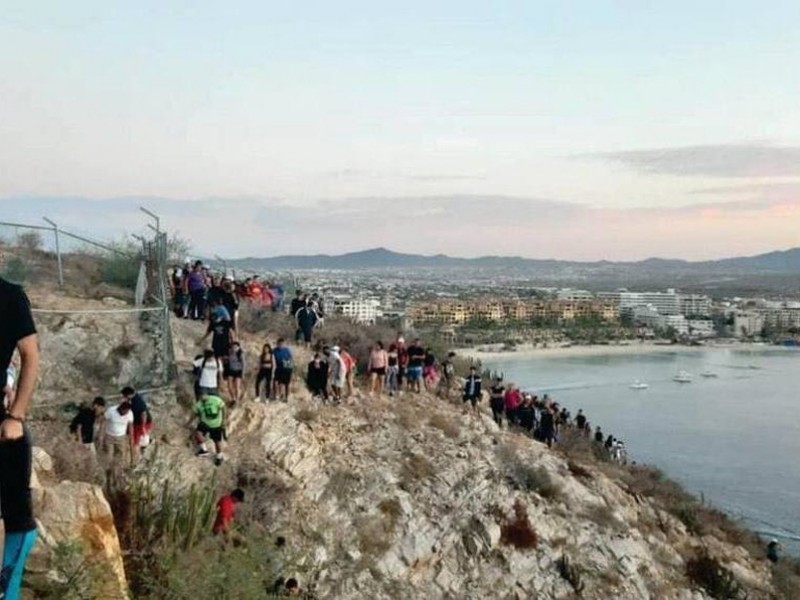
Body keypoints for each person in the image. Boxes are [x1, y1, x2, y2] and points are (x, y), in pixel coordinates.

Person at [0, 271, 40, 599]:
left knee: (16, 519)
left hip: (3, 424)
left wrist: (16, 415)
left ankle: (7, 589)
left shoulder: (10, 296)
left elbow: (31, 356)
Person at [102, 400, 135, 480]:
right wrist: (101, 435)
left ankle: (117, 472)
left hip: (121, 437)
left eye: (127, 412)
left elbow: (130, 427)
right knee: (109, 455)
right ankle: (108, 473)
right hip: (109, 436)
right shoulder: (111, 411)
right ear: (121, 409)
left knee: (121, 455)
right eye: (125, 412)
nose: (126, 413)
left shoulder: (130, 414)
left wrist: (131, 438)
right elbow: (103, 421)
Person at [193, 392, 226, 464]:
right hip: (205, 423)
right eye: (200, 397)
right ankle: (204, 450)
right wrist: (188, 422)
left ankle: (219, 456)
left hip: (216, 424)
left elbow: (223, 408)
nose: (202, 398)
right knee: (198, 433)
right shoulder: (198, 404)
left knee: (217, 441)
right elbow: (194, 414)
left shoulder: (216, 400)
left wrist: (223, 421)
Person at [122, 386, 153, 461]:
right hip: (140, 422)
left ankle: (136, 459)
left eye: (124, 396)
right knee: (137, 438)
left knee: (135, 442)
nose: (123, 397)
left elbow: (144, 414)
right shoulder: (134, 397)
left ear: (128, 395)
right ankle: (142, 447)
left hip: (140, 424)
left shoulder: (137, 401)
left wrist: (142, 427)